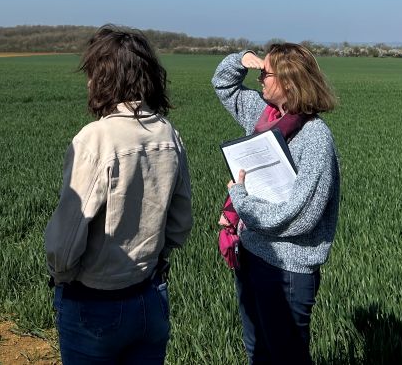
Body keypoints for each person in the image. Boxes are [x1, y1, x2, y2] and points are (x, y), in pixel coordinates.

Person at [44, 25, 193, 365]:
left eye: (94, 72)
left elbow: (65, 242)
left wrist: (63, 278)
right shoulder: (169, 133)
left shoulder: (96, 138)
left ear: (107, 78)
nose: (88, 82)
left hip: (94, 302)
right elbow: (181, 222)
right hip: (151, 297)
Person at [213, 44, 340, 365]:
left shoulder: (315, 138)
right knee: (258, 353)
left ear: (288, 81)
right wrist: (241, 59)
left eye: (264, 75)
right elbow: (223, 84)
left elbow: (300, 216)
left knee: (286, 359)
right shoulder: (265, 115)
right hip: (252, 256)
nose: (259, 80)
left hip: (287, 271)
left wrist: (241, 201)